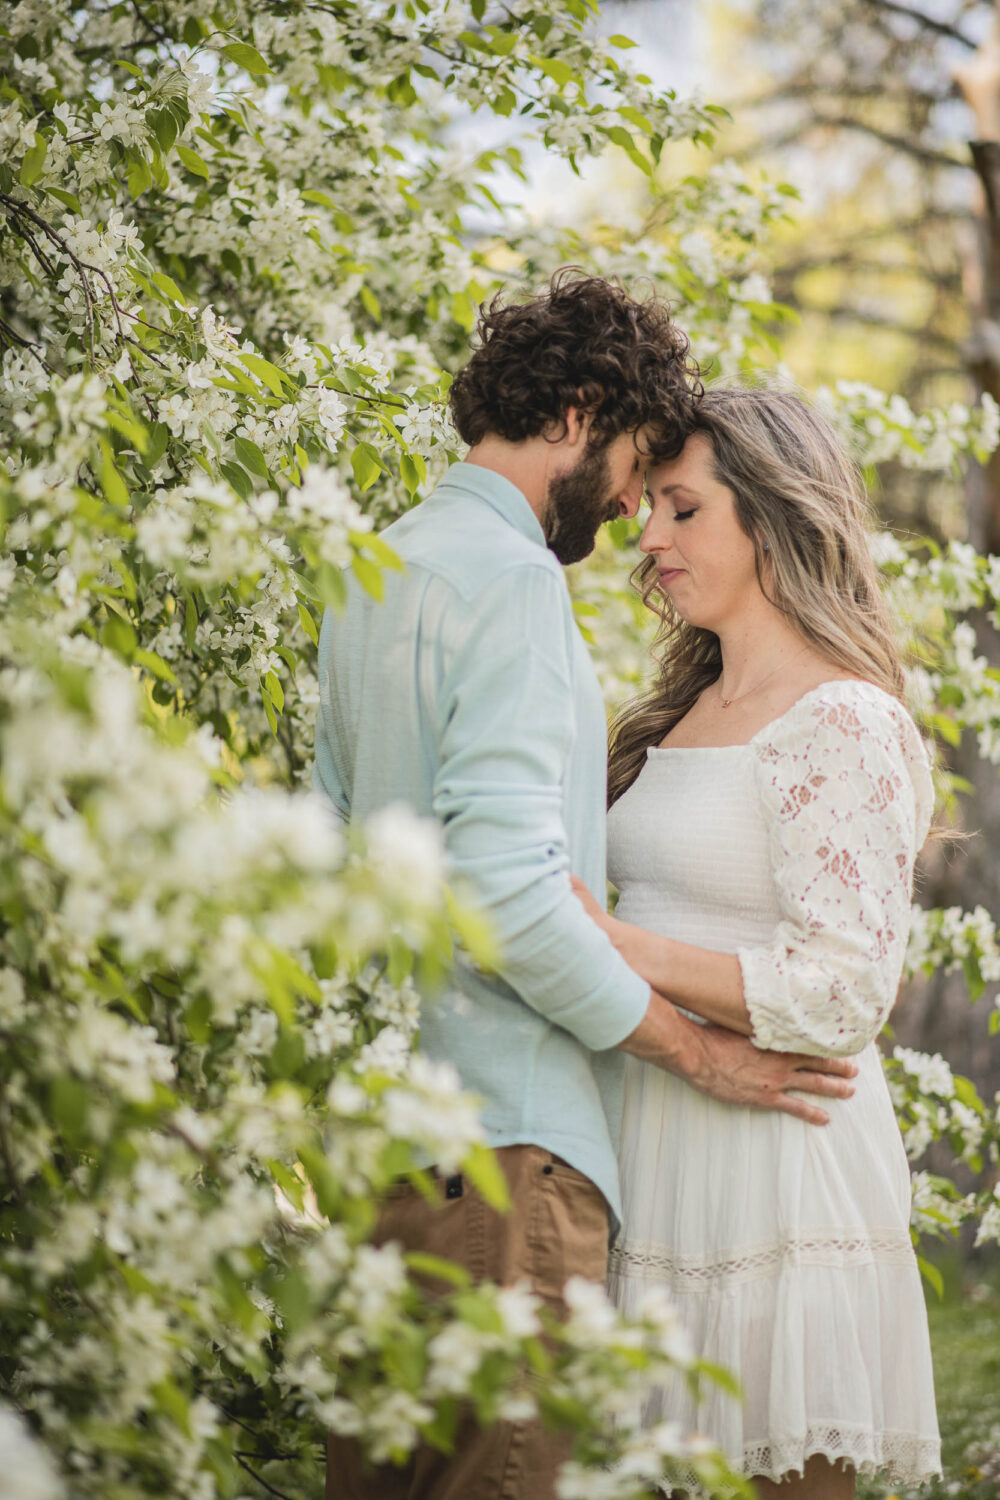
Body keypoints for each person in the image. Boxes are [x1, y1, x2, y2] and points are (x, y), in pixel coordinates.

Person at [311, 276, 857, 1500]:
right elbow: (510, 900)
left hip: (382, 1155)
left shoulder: (372, 571)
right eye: (630, 469)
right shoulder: (511, 587)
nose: (626, 507)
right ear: (577, 413)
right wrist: (697, 1055)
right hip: (504, 1161)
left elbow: (332, 853)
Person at [571, 386, 942, 1497]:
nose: (649, 537)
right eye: (649, 510)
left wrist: (620, 949)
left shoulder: (843, 719)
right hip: (661, 1148)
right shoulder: (681, 707)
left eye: (682, 510)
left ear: (769, 514)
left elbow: (843, 989)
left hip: (781, 1162)